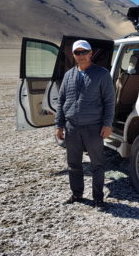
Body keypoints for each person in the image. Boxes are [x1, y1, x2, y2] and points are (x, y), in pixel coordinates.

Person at [55, 40, 115, 211]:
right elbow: (61, 101)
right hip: (72, 127)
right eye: (77, 52)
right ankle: (77, 194)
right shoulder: (68, 75)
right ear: (73, 55)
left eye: (84, 52)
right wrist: (59, 125)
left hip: (93, 127)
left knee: (97, 164)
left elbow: (109, 102)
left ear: (91, 53)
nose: (80, 55)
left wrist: (107, 124)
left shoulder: (102, 74)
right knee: (74, 164)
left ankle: (98, 199)